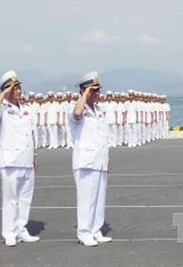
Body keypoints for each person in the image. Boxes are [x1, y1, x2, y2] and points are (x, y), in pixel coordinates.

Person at [0, 71, 40, 247]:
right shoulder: (2, 108)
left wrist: (34, 155)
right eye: (15, 88)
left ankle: (21, 229)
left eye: (19, 87)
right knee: (10, 199)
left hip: (26, 159)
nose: (19, 91)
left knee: (25, 197)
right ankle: (9, 232)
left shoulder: (26, 109)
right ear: (6, 90)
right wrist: (2, 93)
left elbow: (31, 134)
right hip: (10, 160)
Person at [68, 71, 112, 247]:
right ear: (85, 91)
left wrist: (107, 158)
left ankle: (96, 230)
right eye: (94, 90)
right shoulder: (76, 108)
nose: (98, 94)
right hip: (85, 161)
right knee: (86, 199)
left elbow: (103, 136)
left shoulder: (99, 110)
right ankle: (84, 232)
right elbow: (77, 114)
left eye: (98, 90)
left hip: (100, 160)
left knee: (99, 198)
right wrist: (85, 94)